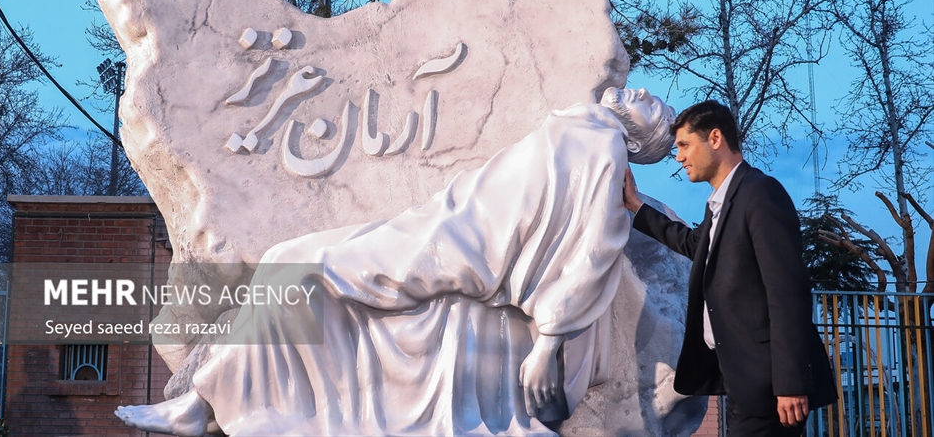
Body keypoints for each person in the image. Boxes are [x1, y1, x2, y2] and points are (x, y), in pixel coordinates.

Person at [116, 88, 676, 437]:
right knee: (292, 261)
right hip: (444, 221)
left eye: (654, 109)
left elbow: (590, 257)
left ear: (640, 138)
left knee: (301, 265)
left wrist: (550, 341)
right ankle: (208, 397)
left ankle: (205, 399)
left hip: (457, 248)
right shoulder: (582, 125)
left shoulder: (602, 151)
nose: (645, 92)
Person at [622, 100, 836, 436]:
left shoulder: (761, 194)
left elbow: (787, 292)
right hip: (740, 378)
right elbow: (697, 246)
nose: (678, 157)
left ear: (716, 138)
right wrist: (636, 206)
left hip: (769, 384)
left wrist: (790, 382)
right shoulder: (722, 202)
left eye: (684, 145)